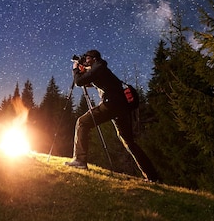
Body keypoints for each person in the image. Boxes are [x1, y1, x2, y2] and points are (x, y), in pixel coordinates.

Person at [64, 49, 160, 182]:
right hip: (121, 108)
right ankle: (153, 177)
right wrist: (82, 71)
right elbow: (86, 82)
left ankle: (80, 161)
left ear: (94, 58)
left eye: (87, 58)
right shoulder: (100, 69)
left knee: (82, 122)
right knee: (129, 142)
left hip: (112, 105)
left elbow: (79, 82)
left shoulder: (99, 67)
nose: (85, 60)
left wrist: (75, 69)